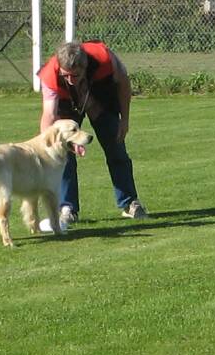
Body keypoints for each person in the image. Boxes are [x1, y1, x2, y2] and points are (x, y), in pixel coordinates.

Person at [36, 40, 148, 230]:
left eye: (76, 75)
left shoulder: (104, 59)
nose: (71, 80)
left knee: (116, 147)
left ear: (85, 66)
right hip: (66, 104)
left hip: (100, 95)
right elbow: (49, 113)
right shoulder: (50, 74)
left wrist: (125, 120)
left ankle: (130, 203)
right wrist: (47, 145)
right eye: (66, 75)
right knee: (64, 155)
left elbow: (123, 84)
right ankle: (67, 208)